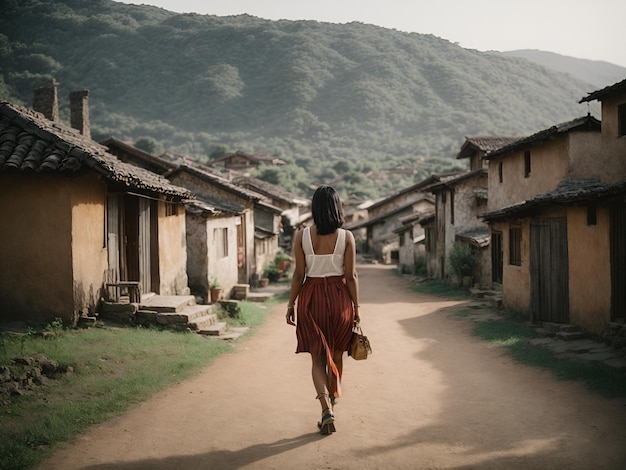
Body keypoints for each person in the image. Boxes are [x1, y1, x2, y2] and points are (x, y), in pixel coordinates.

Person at [285, 185, 360, 435]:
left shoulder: (302, 236)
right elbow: (351, 276)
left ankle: (325, 408)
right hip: (340, 299)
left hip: (311, 299)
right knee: (337, 355)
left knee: (317, 358)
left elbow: (298, 274)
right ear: (337, 207)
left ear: (314, 208)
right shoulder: (347, 237)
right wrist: (356, 308)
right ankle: (333, 401)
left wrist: (290, 304)